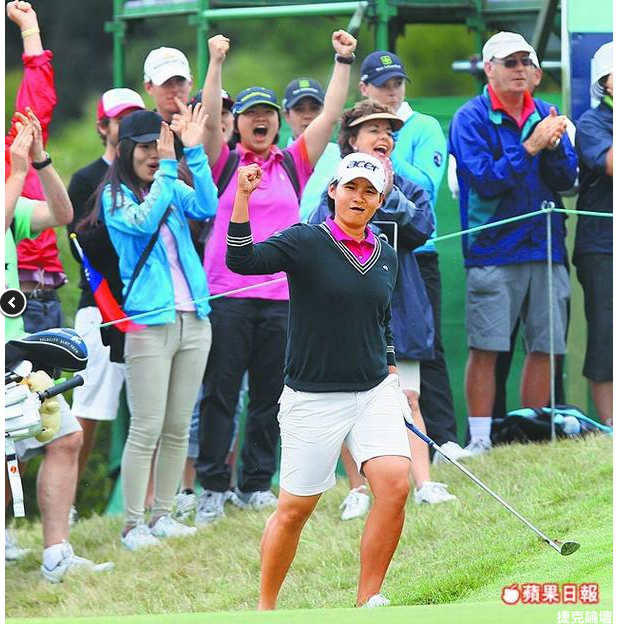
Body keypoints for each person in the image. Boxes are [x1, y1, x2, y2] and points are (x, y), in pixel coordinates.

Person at [227, 153, 412, 610]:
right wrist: (242, 198)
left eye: (369, 192)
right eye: (351, 187)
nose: (359, 198)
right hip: (312, 398)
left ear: (380, 201)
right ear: (333, 191)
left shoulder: (386, 255)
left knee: (394, 485)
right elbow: (242, 260)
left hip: (373, 391)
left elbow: (382, 321)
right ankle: (266, 610)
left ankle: (368, 600)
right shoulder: (306, 240)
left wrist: (391, 368)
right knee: (294, 511)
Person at [194, 30, 357, 523]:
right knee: (221, 394)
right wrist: (215, 61)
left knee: (270, 396)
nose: (260, 120)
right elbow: (208, 119)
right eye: (250, 114)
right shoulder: (222, 162)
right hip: (227, 296)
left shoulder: (292, 163)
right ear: (238, 124)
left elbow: (330, 115)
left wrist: (343, 60)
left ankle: (255, 484)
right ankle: (212, 488)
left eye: (267, 113)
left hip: (283, 298)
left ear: (277, 122)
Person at [309, 100, 457, 519]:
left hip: (398, 309)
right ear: (351, 140)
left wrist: (388, 193)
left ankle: (423, 484)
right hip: (346, 314)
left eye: (389, 131)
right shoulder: (334, 189)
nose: (383, 137)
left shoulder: (406, 186)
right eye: (373, 129)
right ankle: (358, 489)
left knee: (408, 397)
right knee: (345, 403)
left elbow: (422, 228)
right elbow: (319, 232)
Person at [448, 31, 578, 454]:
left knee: (546, 346)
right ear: (489, 70)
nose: (519, 69)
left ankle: (529, 436)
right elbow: (485, 180)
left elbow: (567, 180)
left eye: (525, 62)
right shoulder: (469, 117)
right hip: (492, 248)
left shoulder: (546, 112)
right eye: (510, 62)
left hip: (546, 246)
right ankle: (480, 441)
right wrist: (533, 145)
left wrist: (554, 148)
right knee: (485, 347)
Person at [97, 107, 218, 550]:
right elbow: (143, 221)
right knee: (146, 426)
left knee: (178, 425)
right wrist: (170, 166)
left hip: (194, 318)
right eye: (146, 147)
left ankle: (163, 515)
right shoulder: (114, 197)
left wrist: (194, 153)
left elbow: (207, 206)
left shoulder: (169, 181)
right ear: (126, 150)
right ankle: (133, 525)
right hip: (149, 324)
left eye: (161, 145)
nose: (155, 154)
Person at [5, 111, 113, 582]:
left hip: (15, 354)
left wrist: (41, 162)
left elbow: (63, 215)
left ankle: (55, 556)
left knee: (65, 437)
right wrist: (16, 173)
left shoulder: (11, 201)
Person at [358, 50, 468, 463]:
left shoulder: (423, 127)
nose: (392, 91)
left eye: (397, 83)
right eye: (383, 85)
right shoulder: (356, 132)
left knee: (426, 343)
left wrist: (385, 151)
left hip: (416, 253)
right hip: (364, 256)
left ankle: (444, 439)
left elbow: (426, 183)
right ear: (364, 88)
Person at [67, 88, 146, 508]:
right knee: (88, 413)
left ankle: (147, 505)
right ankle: (67, 505)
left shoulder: (152, 173)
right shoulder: (85, 180)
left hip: (148, 310)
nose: (129, 127)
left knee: (150, 414)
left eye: (136, 118)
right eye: (121, 120)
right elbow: (83, 248)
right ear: (103, 127)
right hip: (101, 310)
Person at [5, 1, 67, 337]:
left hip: (47, 297)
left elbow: (38, 97)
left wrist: (30, 29)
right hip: (13, 300)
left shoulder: (16, 149)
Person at [572, 41, 613, 426]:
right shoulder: (591, 123)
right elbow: (612, 164)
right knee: (606, 335)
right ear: (605, 82)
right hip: (603, 247)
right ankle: (611, 426)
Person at [282, 77, 341, 220]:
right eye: (299, 109)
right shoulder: (276, 162)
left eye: (314, 108)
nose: (307, 116)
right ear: (286, 116)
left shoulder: (342, 156)